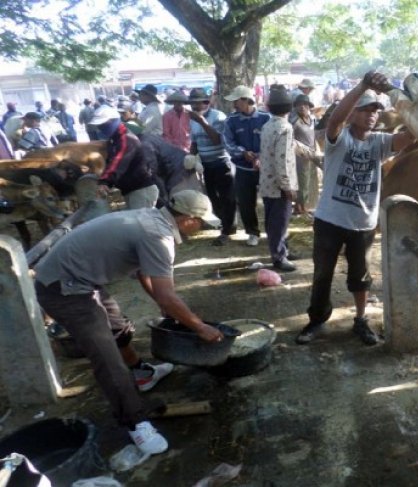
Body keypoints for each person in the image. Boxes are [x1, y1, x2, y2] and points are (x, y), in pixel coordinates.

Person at [34, 190, 224, 455]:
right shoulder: (158, 236)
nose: (201, 227)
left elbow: (145, 274)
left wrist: (160, 302)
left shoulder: (151, 217)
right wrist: (200, 327)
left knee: (117, 327)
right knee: (108, 360)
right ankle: (136, 423)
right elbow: (167, 295)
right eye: (201, 222)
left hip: (84, 280)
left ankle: (141, 373)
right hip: (63, 287)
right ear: (189, 219)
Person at [295, 72, 414, 346]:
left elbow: (412, 135)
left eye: (375, 110)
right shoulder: (339, 138)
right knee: (322, 273)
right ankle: (316, 320)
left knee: (361, 277)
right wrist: (362, 86)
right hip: (329, 220)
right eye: (365, 110)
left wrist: (396, 96)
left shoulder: (380, 142)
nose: (372, 115)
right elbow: (336, 119)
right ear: (353, 113)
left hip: (363, 223)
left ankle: (361, 320)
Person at [222, 85, 271, 247]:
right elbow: (227, 142)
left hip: (266, 168)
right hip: (243, 169)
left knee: (271, 201)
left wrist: (261, 157)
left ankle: (273, 233)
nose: (234, 105)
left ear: (245, 100)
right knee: (245, 202)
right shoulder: (231, 120)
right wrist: (242, 153)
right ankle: (252, 232)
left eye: (236, 101)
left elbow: (273, 142)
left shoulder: (266, 118)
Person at [188, 87, 237, 245]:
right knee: (212, 198)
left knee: (226, 198)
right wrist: (190, 156)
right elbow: (195, 141)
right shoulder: (193, 120)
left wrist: (202, 122)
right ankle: (226, 224)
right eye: (192, 104)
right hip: (206, 164)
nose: (195, 107)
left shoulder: (218, 116)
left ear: (206, 102)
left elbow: (217, 140)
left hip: (222, 162)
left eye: (198, 103)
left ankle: (227, 231)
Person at [258, 87, 299, 272]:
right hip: (278, 185)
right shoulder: (285, 127)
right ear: (289, 108)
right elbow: (281, 159)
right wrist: (287, 185)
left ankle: (282, 250)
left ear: (269, 108)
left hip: (267, 183)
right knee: (279, 222)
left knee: (273, 221)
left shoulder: (267, 125)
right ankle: (279, 257)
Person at [92, 105, 159, 209]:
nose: (101, 128)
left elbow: (117, 163)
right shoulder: (114, 140)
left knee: (142, 224)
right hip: (131, 190)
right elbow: (110, 163)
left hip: (141, 190)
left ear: (113, 121)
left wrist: (105, 182)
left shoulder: (126, 139)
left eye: (103, 124)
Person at [291, 94, 320, 215]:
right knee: (302, 182)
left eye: (304, 104)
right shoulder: (294, 122)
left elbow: (314, 135)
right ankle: (300, 208)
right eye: (299, 105)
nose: (302, 107)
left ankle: (307, 206)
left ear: (309, 106)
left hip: (312, 155)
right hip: (299, 157)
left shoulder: (312, 120)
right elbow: (290, 139)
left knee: (312, 180)